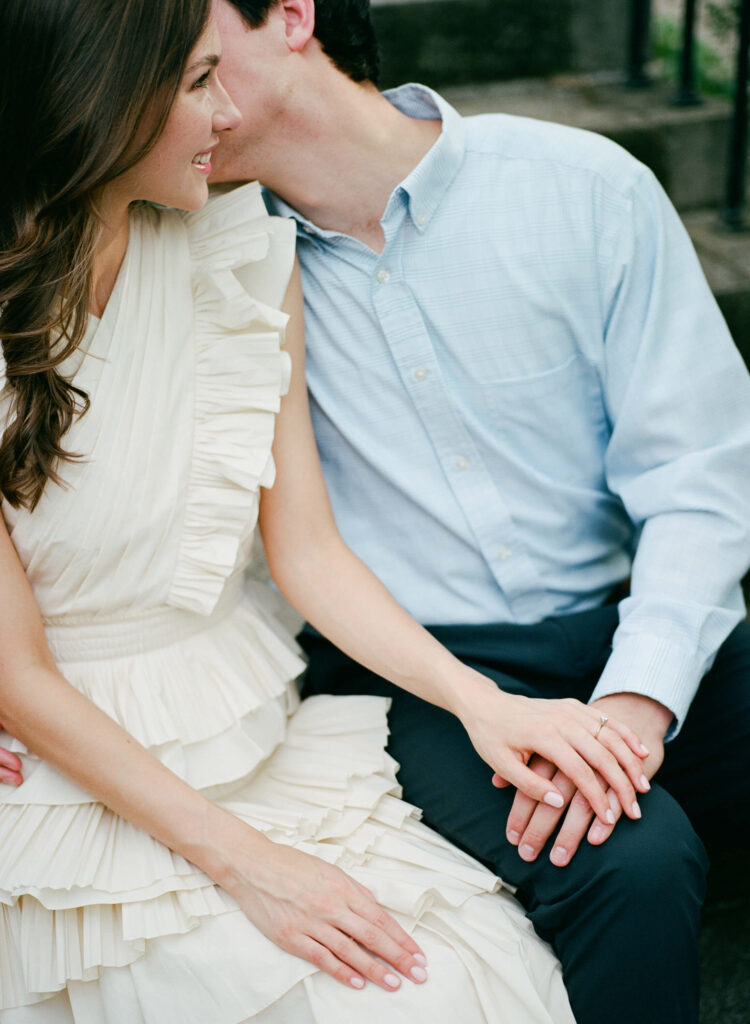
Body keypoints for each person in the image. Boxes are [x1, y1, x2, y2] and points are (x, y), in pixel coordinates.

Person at [0, 0, 654, 1020]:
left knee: (464, 974)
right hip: (62, 773)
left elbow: (305, 550)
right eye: (195, 83)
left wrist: (486, 703)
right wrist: (254, 867)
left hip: (246, 726)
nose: (230, 113)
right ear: (100, 97)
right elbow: (16, 675)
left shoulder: (239, 238)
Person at [180, 1, 748, 1022]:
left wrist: (637, 701)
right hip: (420, 671)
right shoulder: (212, 255)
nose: (149, 70)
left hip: (628, 618)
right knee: (630, 859)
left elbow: (699, 479)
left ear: (293, 17)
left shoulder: (583, 189)